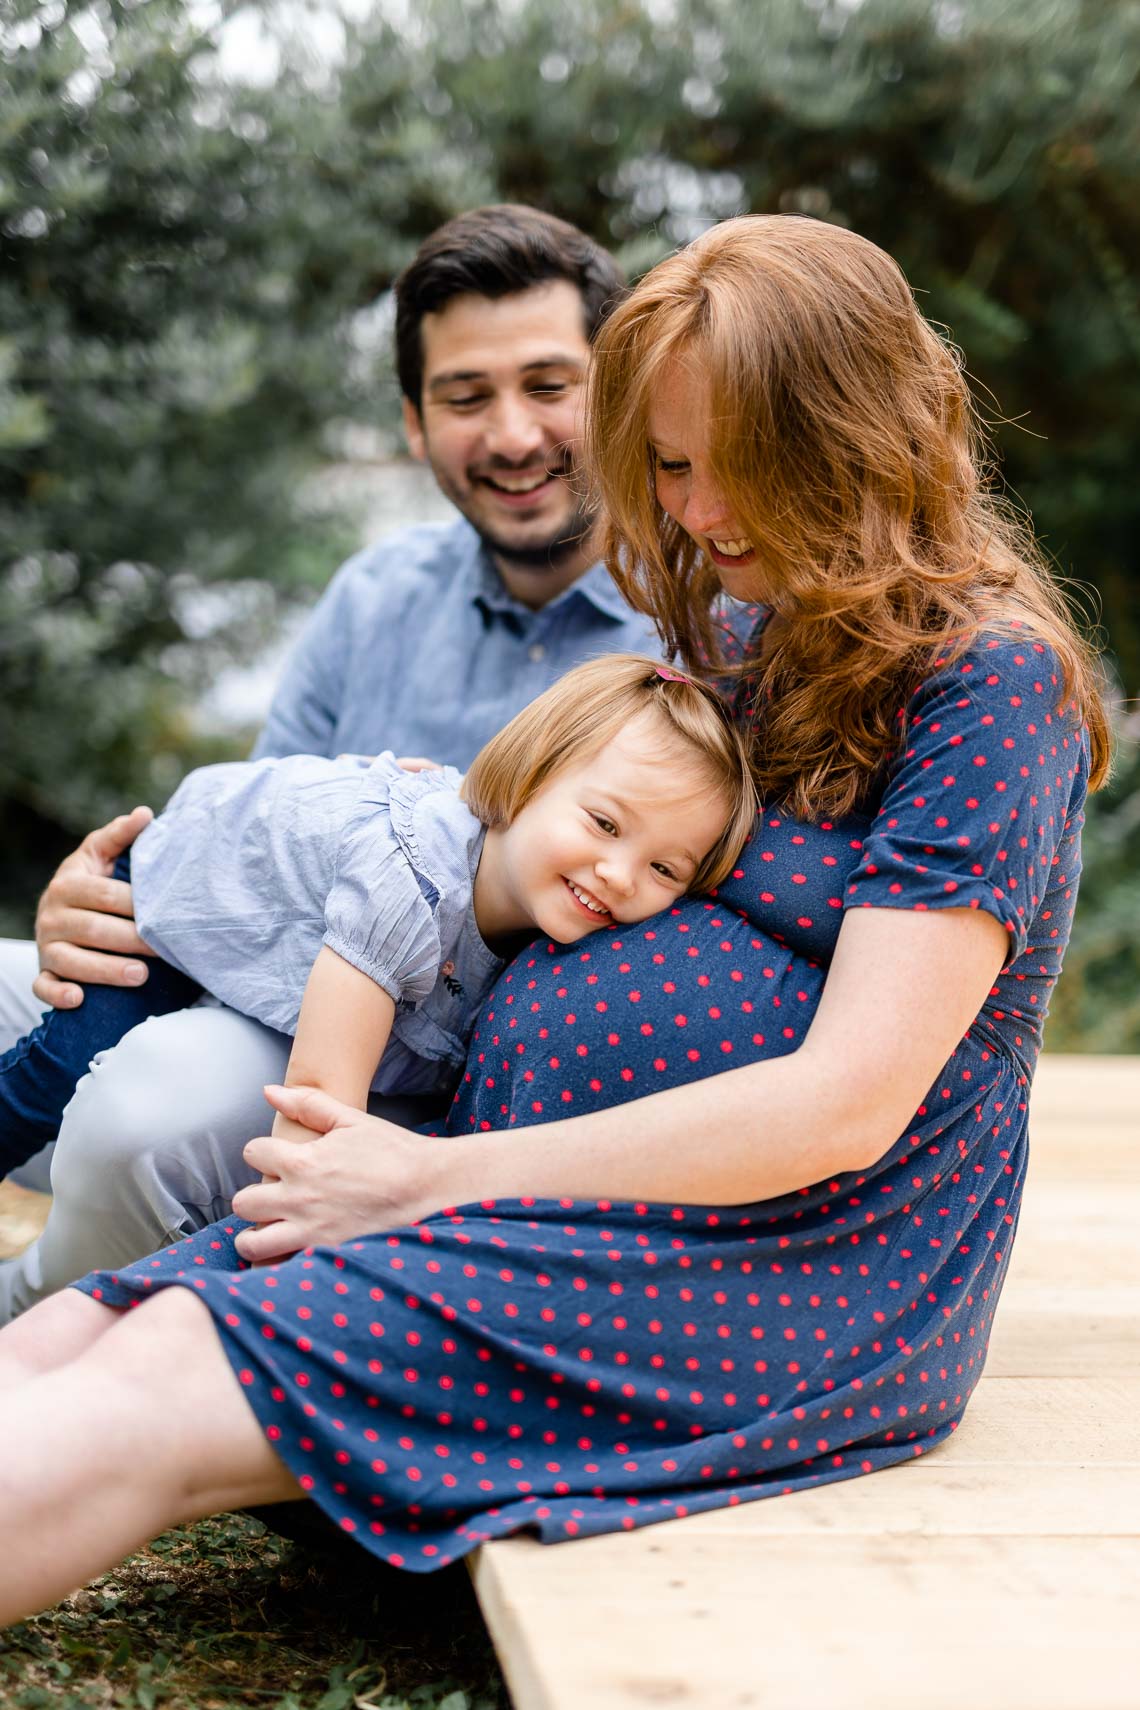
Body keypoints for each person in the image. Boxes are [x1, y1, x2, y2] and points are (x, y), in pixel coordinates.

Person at [0, 213, 1111, 1620]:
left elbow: (848, 1101)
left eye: (737, 467)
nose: (699, 514)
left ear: (859, 435)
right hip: (537, 1179)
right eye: (669, 464)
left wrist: (427, 1183)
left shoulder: (986, 684)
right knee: (87, 1334)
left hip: (778, 1257)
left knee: (157, 1380)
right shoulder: (753, 627)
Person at [0, 204, 665, 1317]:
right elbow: (262, 828)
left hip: (405, 1082)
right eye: (465, 396)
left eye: (551, 386)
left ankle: (27, 1322)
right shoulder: (376, 597)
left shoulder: (695, 637)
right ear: (414, 423)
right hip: (249, 979)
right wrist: (104, 898)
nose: (510, 435)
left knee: (142, 1115)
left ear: (621, 393)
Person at [0, 657, 754, 1178]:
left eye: (665, 869)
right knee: (63, 1071)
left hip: (293, 934)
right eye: (604, 823)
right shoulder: (414, 883)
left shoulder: (543, 931)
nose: (620, 876)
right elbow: (317, 1104)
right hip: (205, 891)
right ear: (527, 779)